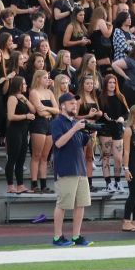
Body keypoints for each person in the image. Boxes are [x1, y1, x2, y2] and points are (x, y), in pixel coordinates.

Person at [50, 92, 94, 247]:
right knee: (62, 204)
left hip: (80, 168)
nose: (74, 106)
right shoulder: (57, 122)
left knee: (80, 203)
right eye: (71, 103)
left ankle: (76, 236)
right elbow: (59, 143)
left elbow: (81, 143)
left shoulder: (75, 122)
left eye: (75, 104)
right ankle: (57, 237)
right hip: (66, 168)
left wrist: (91, 134)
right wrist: (75, 128)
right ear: (62, 105)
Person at [4, 76, 33, 194]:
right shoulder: (12, 98)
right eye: (24, 84)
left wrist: (25, 100)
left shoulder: (23, 98)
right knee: (12, 159)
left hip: (24, 131)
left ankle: (20, 185)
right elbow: (10, 116)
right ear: (18, 85)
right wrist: (25, 116)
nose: (26, 86)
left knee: (21, 160)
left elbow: (34, 110)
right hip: (14, 131)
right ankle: (10, 185)